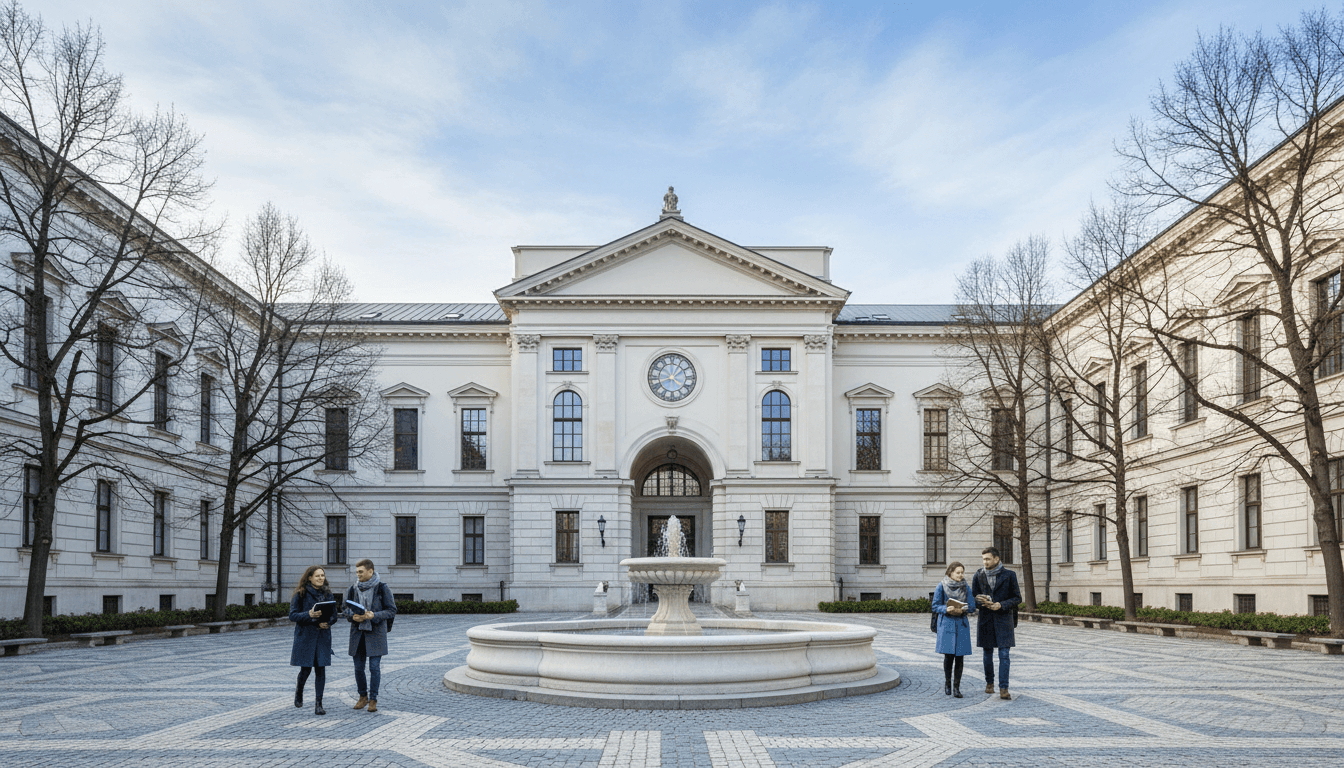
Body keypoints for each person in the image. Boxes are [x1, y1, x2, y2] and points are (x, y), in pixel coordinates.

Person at [345, 558, 396, 713]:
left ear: (370, 571)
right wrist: (352, 616)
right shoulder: (353, 588)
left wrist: (374, 615)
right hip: (358, 633)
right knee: (358, 668)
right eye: (357, 572)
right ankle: (362, 696)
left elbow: (391, 610)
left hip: (375, 633)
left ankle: (373, 699)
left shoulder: (382, 588)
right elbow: (345, 609)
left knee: (374, 667)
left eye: (361, 572)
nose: (358, 575)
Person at [972, 546, 1022, 700]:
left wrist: (1001, 605)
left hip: (1004, 619)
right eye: (983, 559)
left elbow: (1017, 598)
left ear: (996, 559)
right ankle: (989, 683)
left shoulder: (1010, 575)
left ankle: (1004, 688)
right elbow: (973, 598)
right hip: (986, 620)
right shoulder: (978, 575)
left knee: (1004, 654)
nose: (985, 562)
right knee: (987, 654)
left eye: (987, 559)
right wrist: (982, 603)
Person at [288, 565, 334, 715]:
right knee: (306, 670)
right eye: (317, 576)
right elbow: (293, 615)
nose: (321, 578)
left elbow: (334, 615)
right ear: (309, 578)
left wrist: (328, 622)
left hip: (323, 637)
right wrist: (309, 615)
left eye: (322, 575)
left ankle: (318, 704)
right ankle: (299, 690)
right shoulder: (300, 594)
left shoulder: (328, 593)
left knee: (321, 669)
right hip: (306, 637)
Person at [932, 561, 975, 698]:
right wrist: (946, 608)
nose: (961, 575)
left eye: (962, 572)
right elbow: (935, 606)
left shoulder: (965, 587)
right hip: (947, 624)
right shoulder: (941, 585)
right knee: (948, 656)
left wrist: (965, 608)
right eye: (958, 572)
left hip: (961, 624)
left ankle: (957, 687)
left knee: (960, 657)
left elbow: (973, 606)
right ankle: (947, 684)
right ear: (950, 572)